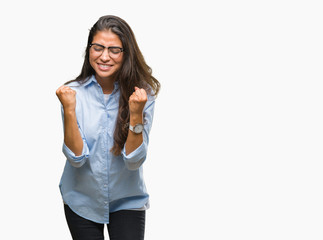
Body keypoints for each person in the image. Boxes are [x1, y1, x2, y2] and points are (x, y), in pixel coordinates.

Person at [56, 15, 160, 240]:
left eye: (114, 50)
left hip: (127, 199)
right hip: (81, 199)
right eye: (98, 48)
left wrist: (136, 114)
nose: (104, 56)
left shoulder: (142, 96)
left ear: (126, 54)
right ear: (89, 49)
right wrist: (70, 110)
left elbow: (134, 161)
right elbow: (76, 158)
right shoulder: (72, 94)